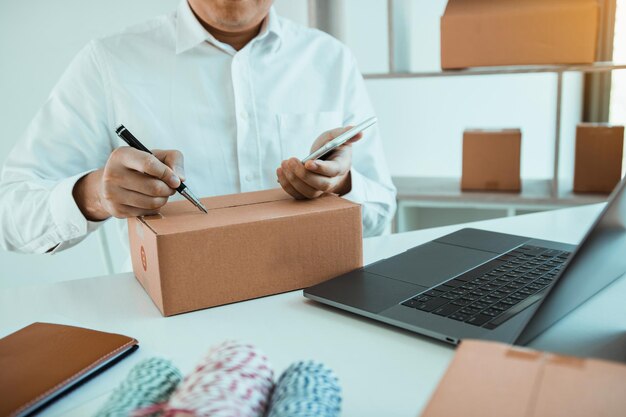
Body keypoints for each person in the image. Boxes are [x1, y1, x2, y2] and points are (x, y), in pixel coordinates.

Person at [0, 0, 396, 260]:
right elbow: (11, 213)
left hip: (317, 307)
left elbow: (380, 211)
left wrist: (340, 185)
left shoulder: (329, 58)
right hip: (176, 323)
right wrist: (95, 195)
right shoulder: (109, 61)